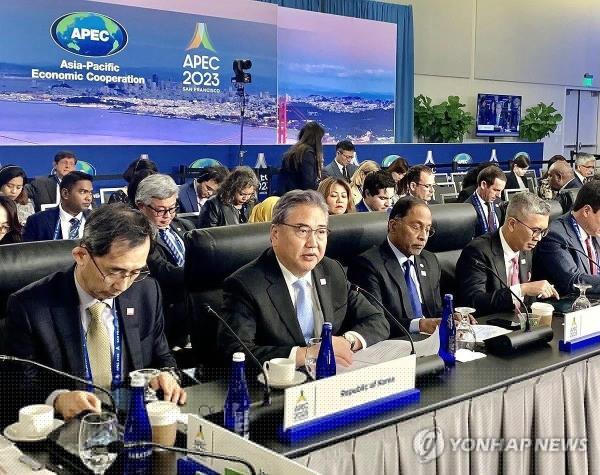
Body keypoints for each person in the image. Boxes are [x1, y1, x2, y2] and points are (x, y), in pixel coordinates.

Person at [4, 204, 185, 421]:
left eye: (135, 272)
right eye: (115, 271)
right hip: (73, 429)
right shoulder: (30, 307)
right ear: (81, 255)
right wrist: (58, 400)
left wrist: (165, 375)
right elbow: (16, 389)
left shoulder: (146, 292)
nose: (123, 285)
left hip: (134, 422)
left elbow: (162, 355)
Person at [219, 190, 389, 366]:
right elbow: (236, 352)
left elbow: (377, 320)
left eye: (321, 231)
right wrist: (308, 354)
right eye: (302, 230)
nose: (313, 242)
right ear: (275, 234)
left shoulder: (331, 271)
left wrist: (347, 342)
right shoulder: (245, 284)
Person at [348, 197, 444, 336]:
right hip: (397, 345)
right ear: (393, 226)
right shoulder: (367, 265)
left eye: (428, 229)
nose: (423, 236)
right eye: (416, 227)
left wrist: (450, 317)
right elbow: (375, 322)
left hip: (433, 342)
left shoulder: (430, 260)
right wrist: (419, 325)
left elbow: (436, 309)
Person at [456, 192, 558, 316]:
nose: (539, 238)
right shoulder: (477, 252)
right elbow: (473, 303)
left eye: (543, 231)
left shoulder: (527, 249)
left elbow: (530, 296)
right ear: (512, 224)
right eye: (535, 231)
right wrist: (522, 289)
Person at [136, 174, 195, 347]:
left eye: (172, 208)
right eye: (160, 210)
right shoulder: (138, 236)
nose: (168, 215)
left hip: (191, 311)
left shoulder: (185, 227)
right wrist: (202, 271)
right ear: (141, 206)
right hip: (164, 316)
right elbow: (162, 271)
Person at [533, 181, 600, 295]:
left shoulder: (594, 230)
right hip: (566, 306)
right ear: (586, 211)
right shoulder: (554, 235)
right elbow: (572, 281)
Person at [23, 171, 93, 242]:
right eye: (83, 192)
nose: (89, 198)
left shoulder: (99, 220)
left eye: (90, 193)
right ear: (65, 193)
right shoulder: (37, 221)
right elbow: (26, 252)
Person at [278, 121, 324, 194]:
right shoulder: (307, 153)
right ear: (316, 139)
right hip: (300, 199)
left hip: (288, 196)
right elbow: (308, 185)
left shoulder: (293, 151)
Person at [465, 165, 506, 237]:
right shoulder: (467, 209)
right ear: (483, 185)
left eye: (501, 191)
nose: (499, 195)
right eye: (496, 190)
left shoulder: (499, 203)